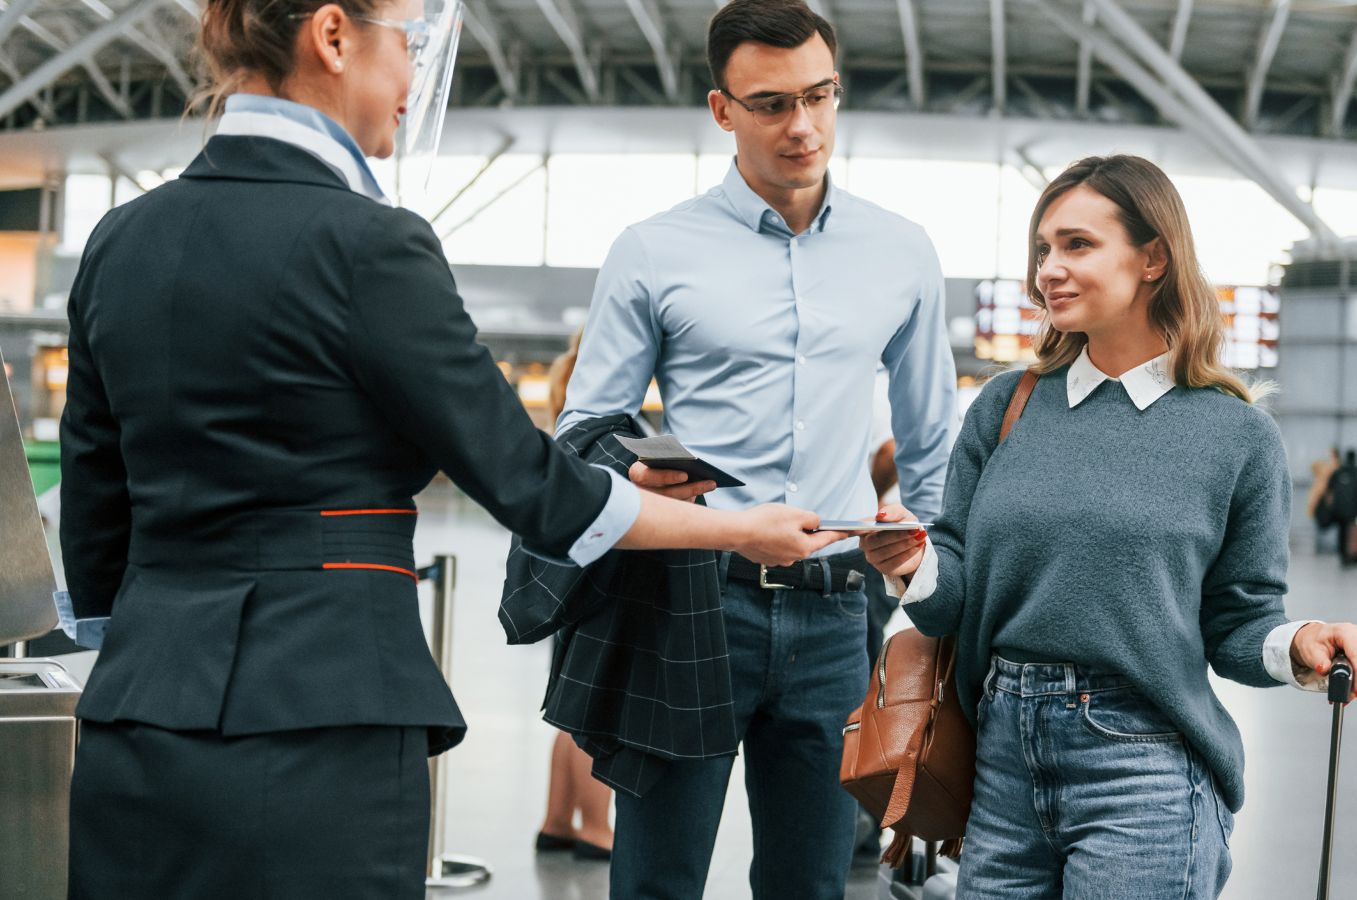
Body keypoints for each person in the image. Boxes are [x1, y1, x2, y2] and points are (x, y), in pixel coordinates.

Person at [53, 2, 837, 897]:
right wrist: (741, 530)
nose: (413, 80)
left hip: (134, 717)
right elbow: (531, 486)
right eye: (409, 45)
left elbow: (95, 504)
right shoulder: (368, 244)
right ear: (334, 37)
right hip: (322, 721)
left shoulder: (121, 239)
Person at [862, 155, 1357, 899]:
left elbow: (1237, 623)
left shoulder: (1236, 436)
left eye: (1078, 245)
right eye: (1043, 248)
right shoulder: (1005, 408)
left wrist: (1300, 642)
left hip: (1145, 771)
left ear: (1153, 258)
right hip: (1000, 764)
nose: (1049, 269)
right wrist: (912, 562)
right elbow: (953, 595)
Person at [557, 2, 958, 895]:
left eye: (819, 96)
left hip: (837, 614)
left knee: (813, 883)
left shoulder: (901, 252)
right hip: (692, 600)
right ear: (722, 110)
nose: (803, 126)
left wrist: (930, 592)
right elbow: (584, 432)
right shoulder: (653, 250)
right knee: (657, 880)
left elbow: (933, 438)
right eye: (772, 104)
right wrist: (632, 467)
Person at [533, 327, 615, 861]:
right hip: (599, 578)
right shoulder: (608, 425)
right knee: (598, 713)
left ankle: (557, 821)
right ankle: (596, 828)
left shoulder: (568, 420)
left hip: (565, 577)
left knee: (571, 710)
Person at [1328, 448, 1357, 562]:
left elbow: (1330, 487)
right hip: (1352, 510)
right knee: (1350, 532)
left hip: (1339, 509)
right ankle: (1348, 554)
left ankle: (1341, 553)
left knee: (1341, 531)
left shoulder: (1339, 471)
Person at [1307, 445, 1340, 552]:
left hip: (1325, 500)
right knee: (1320, 523)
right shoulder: (1325, 467)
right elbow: (1314, 466)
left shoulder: (1332, 468)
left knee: (1326, 524)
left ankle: (1324, 546)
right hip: (1320, 499)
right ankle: (1321, 546)